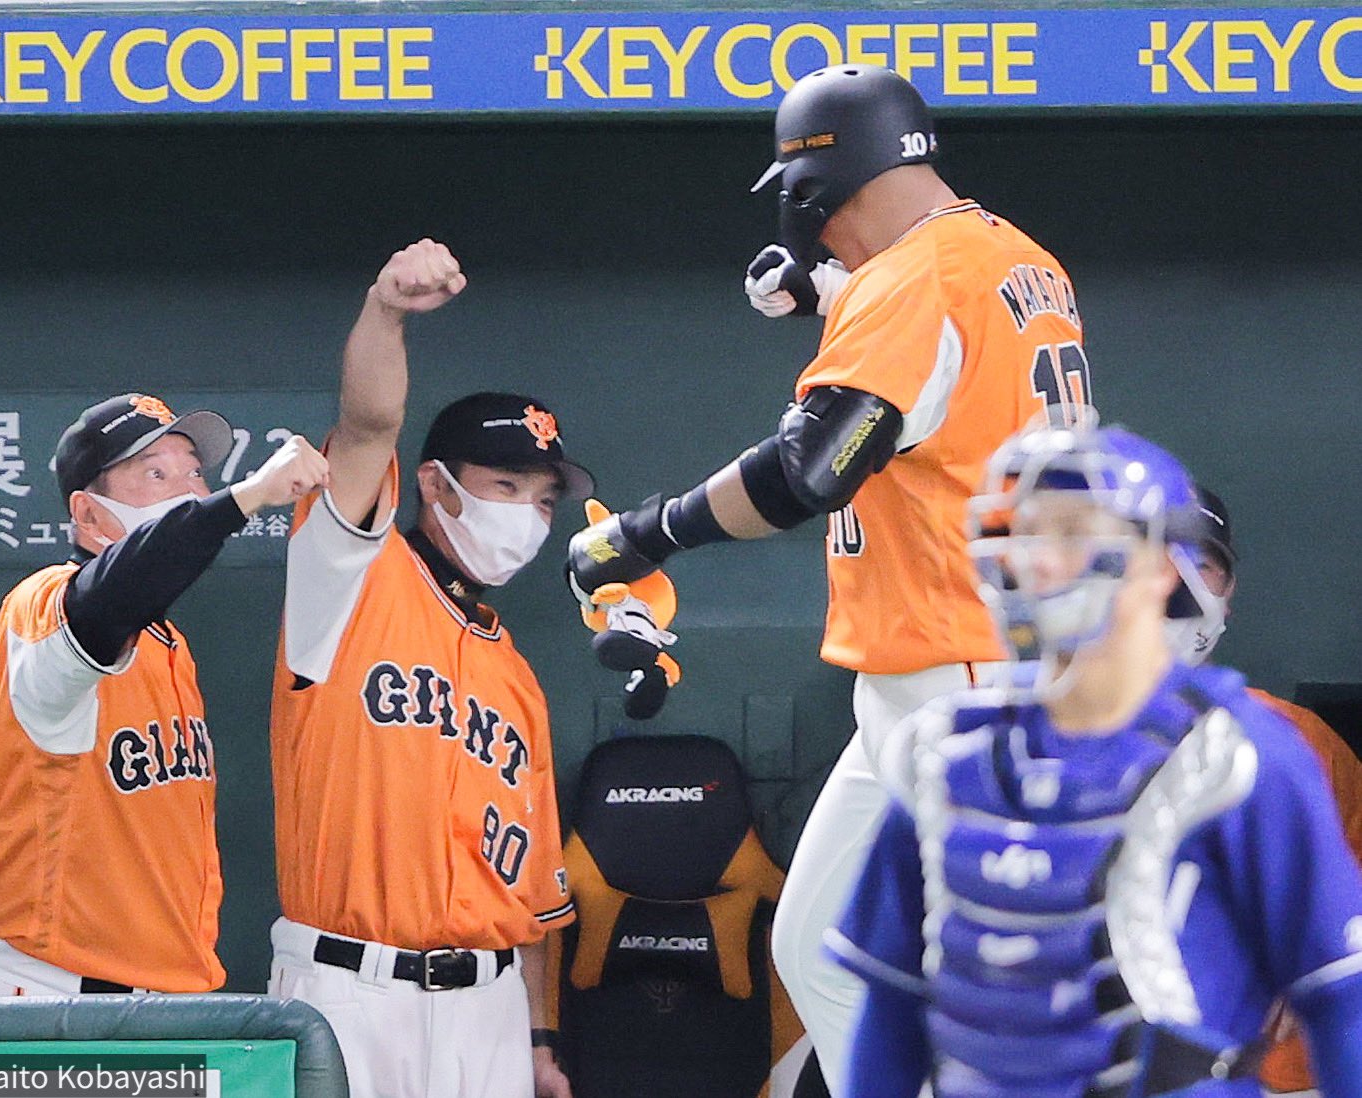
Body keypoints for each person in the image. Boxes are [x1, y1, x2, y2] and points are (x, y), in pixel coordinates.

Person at [564, 62, 1091, 1092]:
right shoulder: (1016, 257)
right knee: (821, 951)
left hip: (964, 681)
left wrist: (648, 533)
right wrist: (827, 294)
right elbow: (941, 367)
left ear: (816, 185)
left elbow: (808, 470)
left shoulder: (912, 280)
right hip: (959, 672)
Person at [824, 420, 1362, 1097]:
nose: (1041, 561)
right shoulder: (947, 753)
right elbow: (890, 1006)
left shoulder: (1241, 758)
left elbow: (1338, 999)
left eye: (1073, 534)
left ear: (1160, 566)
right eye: (1025, 534)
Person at [268, 239, 585, 1098]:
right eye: (506, 486)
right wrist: (387, 312)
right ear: (437, 486)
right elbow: (368, 427)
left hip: (488, 1008)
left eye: (544, 498)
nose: (529, 514)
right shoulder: (350, 576)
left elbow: (531, 897)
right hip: (350, 989)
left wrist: (538, 1038)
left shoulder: (514, 677)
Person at [0, 392, 327, 995]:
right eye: (155, 474)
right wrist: (247, 496)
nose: (187, 492)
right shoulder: (43, 604)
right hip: (48, 995)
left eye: (194, 474)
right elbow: (113, 594)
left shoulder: (166, 642)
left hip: (154, 999)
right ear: (88, 513)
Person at [1174, 487, 1362, 1098]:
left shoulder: (1296, 743)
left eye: (1202, 565)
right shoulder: (1026, 752)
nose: (1177, 585)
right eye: (1154, 560)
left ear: (1228, 595)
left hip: (1283, 1077)